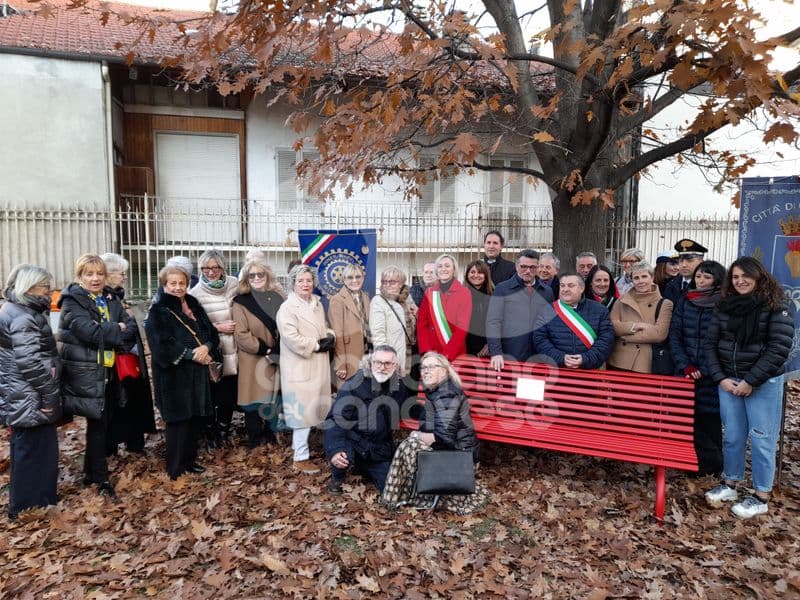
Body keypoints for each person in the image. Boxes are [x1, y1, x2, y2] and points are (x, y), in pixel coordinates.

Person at [703, 257, 794, 519]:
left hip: (762, 384)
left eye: (745, 276)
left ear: (758, 276)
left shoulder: (777, 306)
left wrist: (751, 381)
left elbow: (779, 348)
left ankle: (760, 495)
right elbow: (710, 343)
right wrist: (720, 377)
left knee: (761, 438)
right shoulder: (725, 306)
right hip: (729, 382)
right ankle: (730, 483)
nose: (740, 281)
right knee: (732, 436)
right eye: (735, 277)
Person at [58, 254, 136, 498]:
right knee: (97, 423)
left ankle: (92, 474)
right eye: (89, 274)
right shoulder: (72, 301)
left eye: (99, 274)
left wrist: (113, 331)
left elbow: (132, 328)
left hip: (109, 370)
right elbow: (89, 333)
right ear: (79, 276)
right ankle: (100, 479)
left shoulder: (110, 298)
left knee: (102, 423)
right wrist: (116, 329)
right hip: (87, 372)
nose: (95, 279)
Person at [380, 352, 490, 514]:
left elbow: (443, 437)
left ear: (445, 371)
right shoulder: (439, 390)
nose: (425, 371)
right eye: (423, 367)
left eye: (431, 367)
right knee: (410, 444)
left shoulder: (446, 394)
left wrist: (416, 435)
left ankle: (392, 499)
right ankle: (402, 495)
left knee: (409, 445)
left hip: (460, 459)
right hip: (455, 452)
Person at [145, 265, 219, 479]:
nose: (178, 287)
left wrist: (206, 347)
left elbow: (211, 332)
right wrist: (190, 354)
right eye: (173, 283)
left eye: (182, 283)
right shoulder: (158, 310)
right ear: (165, 285)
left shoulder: (194, 304)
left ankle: (190, 460)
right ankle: (175, 467)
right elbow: (160, 346)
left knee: (194, 418)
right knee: (178, 421)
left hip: (197, 373)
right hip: (174, 375)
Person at [0, 265, 61, 520]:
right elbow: (30, 363)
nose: (49, 291)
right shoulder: (24, 316)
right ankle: (25, 507)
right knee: (32, 451)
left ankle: (40, 499)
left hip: (21, 392)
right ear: (31, 287)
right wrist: (48, 396)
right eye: (45, 286)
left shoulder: (18, 310)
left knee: (37, 449)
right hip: (29, 394)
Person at [323, 346, 410, 495]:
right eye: (378, 362)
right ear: (370, 363)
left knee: (391, 488)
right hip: (354, 441)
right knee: (342, 456)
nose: (382, 367)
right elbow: (336, 419)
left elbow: (410, 408)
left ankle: (365, 467)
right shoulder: (354, 384)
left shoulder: (399, 386)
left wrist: (432, 419)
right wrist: (335, 450)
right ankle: (337, 477)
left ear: (395, 366)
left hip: (378, 446)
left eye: (388, 363)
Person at [669, 260, 727, 476]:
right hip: (685, 370)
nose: (701, 281)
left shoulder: (723, 303)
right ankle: (691, 463)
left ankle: (713, 464)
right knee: (685, 420)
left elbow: (723, 340)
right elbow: (675, 335)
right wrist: (685, 364)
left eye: (707, 277)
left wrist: (704, 367)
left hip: (711, 373)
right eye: (699, 277)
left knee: (709, 421)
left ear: (717, 280)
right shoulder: (686, 300)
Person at [276, 264, 335, 474]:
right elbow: (291, 337)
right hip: (299, 366)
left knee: (314, 409)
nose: (305, 284)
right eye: (300, 281)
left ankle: (301, 449)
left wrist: (330, 335)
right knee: (301, 413)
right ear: (293, 283)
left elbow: (322, 327)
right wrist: (318, 345)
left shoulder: (316, 304)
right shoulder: (287, 308)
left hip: (317, 365)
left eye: (308, 280)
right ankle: (300, 458)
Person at [100, 253, 156, 456]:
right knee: (118, 402)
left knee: (132, 400)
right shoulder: (104, 299)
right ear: (108, 274)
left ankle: (133, 443)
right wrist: (129, 324)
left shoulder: (118, 297)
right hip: (117, 360)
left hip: (129, 358)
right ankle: (113, 446)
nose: (124, 277)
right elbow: (118, 329)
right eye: (121, 273)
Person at [231, 259, 285, 448]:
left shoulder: (277, 298)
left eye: (260, 274)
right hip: (253, 358)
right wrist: (265, 349)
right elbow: (241, 334)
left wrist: (277, 350)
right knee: (253, 397)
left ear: (267, 276)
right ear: (246, 278)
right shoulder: (240, 302)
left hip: (275, 357)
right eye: (251, 275)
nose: (256, 278)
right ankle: (254, 437)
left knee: (273, 396)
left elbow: (286, 326)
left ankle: (271, 433)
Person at [190, 249, 239, 447]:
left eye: (215, 267)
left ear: (222, 267)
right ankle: (211, 434)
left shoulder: (234, 284)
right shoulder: (195, 294)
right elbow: (194, 326)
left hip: (236, 348)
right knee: (212, 394)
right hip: (214, 350)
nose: (210, 272)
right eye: (205, 268)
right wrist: (218, 327)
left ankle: (224, 429)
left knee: (230, 393)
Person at [486, 249, 552, 370]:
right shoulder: (502, 289)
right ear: (516, 266)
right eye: (523, 266)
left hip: (538, 357)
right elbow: (493, 322)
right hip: (510, 355)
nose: (528, 271)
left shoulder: (547, 292)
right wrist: (495, 352)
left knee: (535, 389)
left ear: (537, 268)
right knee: (508, 388)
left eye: (532, 267)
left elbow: (549, 324)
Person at [533, 274, 614, 369]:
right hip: (557, 370)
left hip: (590, 372)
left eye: (571, 285)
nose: (565, 289)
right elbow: (540, 340)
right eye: (562, 285)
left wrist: (586, 359)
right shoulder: (546, 310)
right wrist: (561, 358)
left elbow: (606, 340)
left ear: (581, 288)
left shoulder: (600, 310)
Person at [607, 261, 673, 373]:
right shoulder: (621, 300)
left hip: (645, 362)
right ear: (632, 280)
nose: (640, 281)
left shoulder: (665, 303)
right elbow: (612, 326)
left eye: (644, 276)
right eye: (636, 278)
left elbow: (659, 334)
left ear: (652, 277)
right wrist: (636, 326)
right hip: (619, 360)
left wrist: (625, 337)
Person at [417, 254, 472, 361]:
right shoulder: (429, 293)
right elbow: (422, 324)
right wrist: (427, 351)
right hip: (432, 353)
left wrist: (447, 354)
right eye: (440, 266)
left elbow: (462, 327)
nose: (443, 269)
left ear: (454, 270)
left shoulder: (464, 292)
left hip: (455, 353)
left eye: (447, 266)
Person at [328, 264, 371, 387]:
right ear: (344, 280)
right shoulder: (337, 300)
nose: (354, 280)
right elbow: (338, 334)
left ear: (363, 278)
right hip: (349, 355)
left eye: (358, 276)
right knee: (349, 397)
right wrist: (341, 363)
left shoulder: (366, 297)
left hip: (367, 353)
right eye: (350, 277)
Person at [370, 266, 413, 375]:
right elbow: (378, 335)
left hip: (407, 354)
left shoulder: (406, 301)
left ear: (401, 284)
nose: (387, 284)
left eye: (392, 282)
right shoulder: (379, 301)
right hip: (390, 359)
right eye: (385, 281)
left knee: (403, 388)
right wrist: (385, 360)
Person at [663, 239, 707, 305]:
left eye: (689, 260)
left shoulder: (705, 286)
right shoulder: (671, 284)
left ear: (701, 262)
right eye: (680, 260)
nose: (683, 265)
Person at [463, 260, 493, 357]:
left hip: (486, 348)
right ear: (467, 275)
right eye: (472, 272)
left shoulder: (494, 295)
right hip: (464, 346)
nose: (476, 275)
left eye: (480, 272)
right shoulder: (460, 294)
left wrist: (490, 344)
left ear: (485, 275)